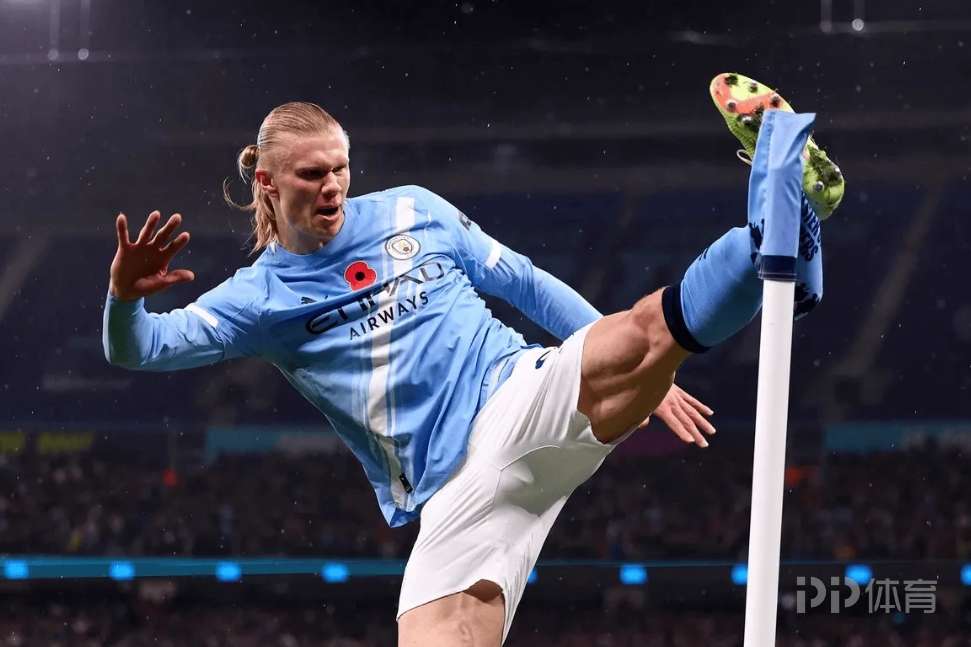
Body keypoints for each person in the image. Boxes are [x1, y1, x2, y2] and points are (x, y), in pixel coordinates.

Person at [103, 74, 836, 645]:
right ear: (266, 182)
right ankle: (783, 244)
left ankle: (774, 219)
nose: (332, 187)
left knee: (645, 330)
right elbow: (140, 350)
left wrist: (650, 371)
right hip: (453, 492)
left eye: (340, 169)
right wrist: (124, 297)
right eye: (311, 175)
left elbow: (524, 283)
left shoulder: (412, 210)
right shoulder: (257, 299)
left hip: (516, 397)